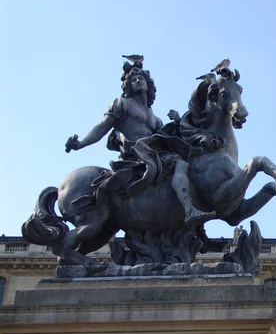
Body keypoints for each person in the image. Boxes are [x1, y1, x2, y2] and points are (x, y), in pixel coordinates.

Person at [65, 59, 211, 226]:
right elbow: (101, 127)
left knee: (186, 163)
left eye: (140, 79)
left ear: (148, 85)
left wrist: (178, 120)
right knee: (180, 163)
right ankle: (189, 210)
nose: (137, 81)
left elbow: (166, 136)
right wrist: (81, 143)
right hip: (135, 152)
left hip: (153, 150)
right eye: (133, 80)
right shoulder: (122, 103)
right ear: (128, 86)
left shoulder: (153, 116)